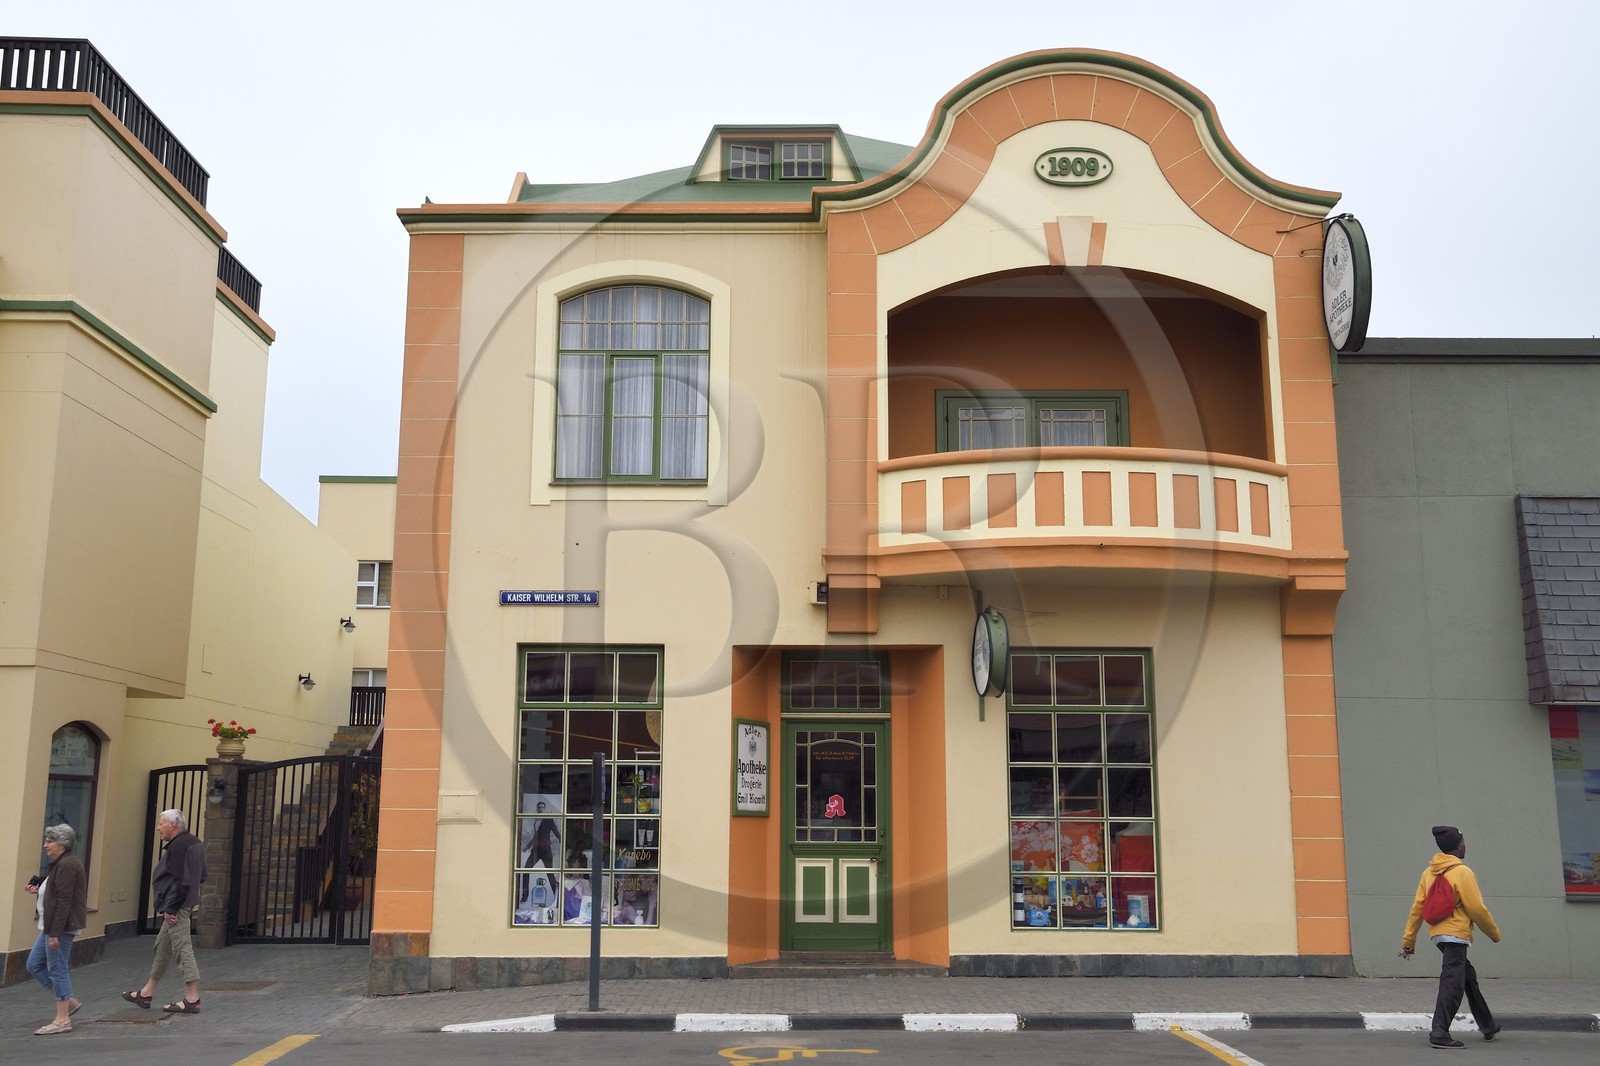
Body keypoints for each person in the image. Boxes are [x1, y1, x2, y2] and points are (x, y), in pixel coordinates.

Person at [1400, 825, 1503, 1049]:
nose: (1465, 844)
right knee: (1452, 982)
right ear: (1458, 845)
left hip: (1438, 935)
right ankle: (1439, 1031)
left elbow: (1417, 908)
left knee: (1467, 976)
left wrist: (1409, 941)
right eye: (1463, 841)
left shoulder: (1429, 872)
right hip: (1456, 934)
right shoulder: (1462, 872)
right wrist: (1494, 933)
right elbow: (1476, 908)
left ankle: (1487, 1025)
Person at [122, 809, 206, 1014]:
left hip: (176, 907)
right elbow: (202, 875)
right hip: (184, 903)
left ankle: (192, 998)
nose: (158, 828)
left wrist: (171, 908)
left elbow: (180, 881)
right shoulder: (195, 843)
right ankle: (147, 992)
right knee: (162, 948)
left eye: (161, 823)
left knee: (182, 949)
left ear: (173, 825)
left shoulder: (177, 847)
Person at [26, 824, 87, 1035]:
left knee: (57, 969)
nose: (46, 845)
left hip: (58, 928)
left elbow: (64, 900)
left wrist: (55, 933)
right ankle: (67, 1000)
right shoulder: (60, 864)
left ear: (62, 844)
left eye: (50, 841)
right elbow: (53, 892)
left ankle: (62, 1019)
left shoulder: (68, 864)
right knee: (34, 964)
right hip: (49, 926)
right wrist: (38, 889)